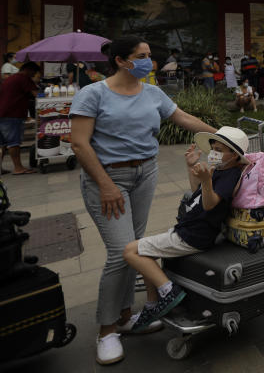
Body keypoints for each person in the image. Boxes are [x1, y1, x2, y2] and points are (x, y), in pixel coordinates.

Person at [69, 36, 216, 365]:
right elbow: (79, 144)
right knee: (121, 254)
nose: (149, 62)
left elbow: (184, 119)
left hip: (145, 175)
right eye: (141, 56)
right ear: (121, 60)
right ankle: (106, 331)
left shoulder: (152, 92)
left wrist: (220, 136)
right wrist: (105, 185)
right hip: (107, 179)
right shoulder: (92, 94)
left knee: (135, 249)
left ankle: (124, 317)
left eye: (150, 56)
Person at [121, 127, 247, 335]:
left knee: (130, 251)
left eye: (220, 149)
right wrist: (192, 168)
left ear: (234, 155)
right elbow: (196, 194)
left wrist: (207, 180)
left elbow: (210, 205)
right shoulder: (219, 170)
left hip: (193, 236)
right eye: (213, 148)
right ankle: (153, 304)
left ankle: (169, 291)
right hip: (187, 229)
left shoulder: (230, 175)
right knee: (145, 253)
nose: (214, 153)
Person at [0, 61, 41, 175]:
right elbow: (36, 94)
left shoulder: (11, 78)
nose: (34, 75)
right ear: (28, 70)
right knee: (14, 142)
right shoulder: (24, 78)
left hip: (3, 113)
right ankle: (18, 167)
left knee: (2, 143)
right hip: (12, 114)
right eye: (34, 72)